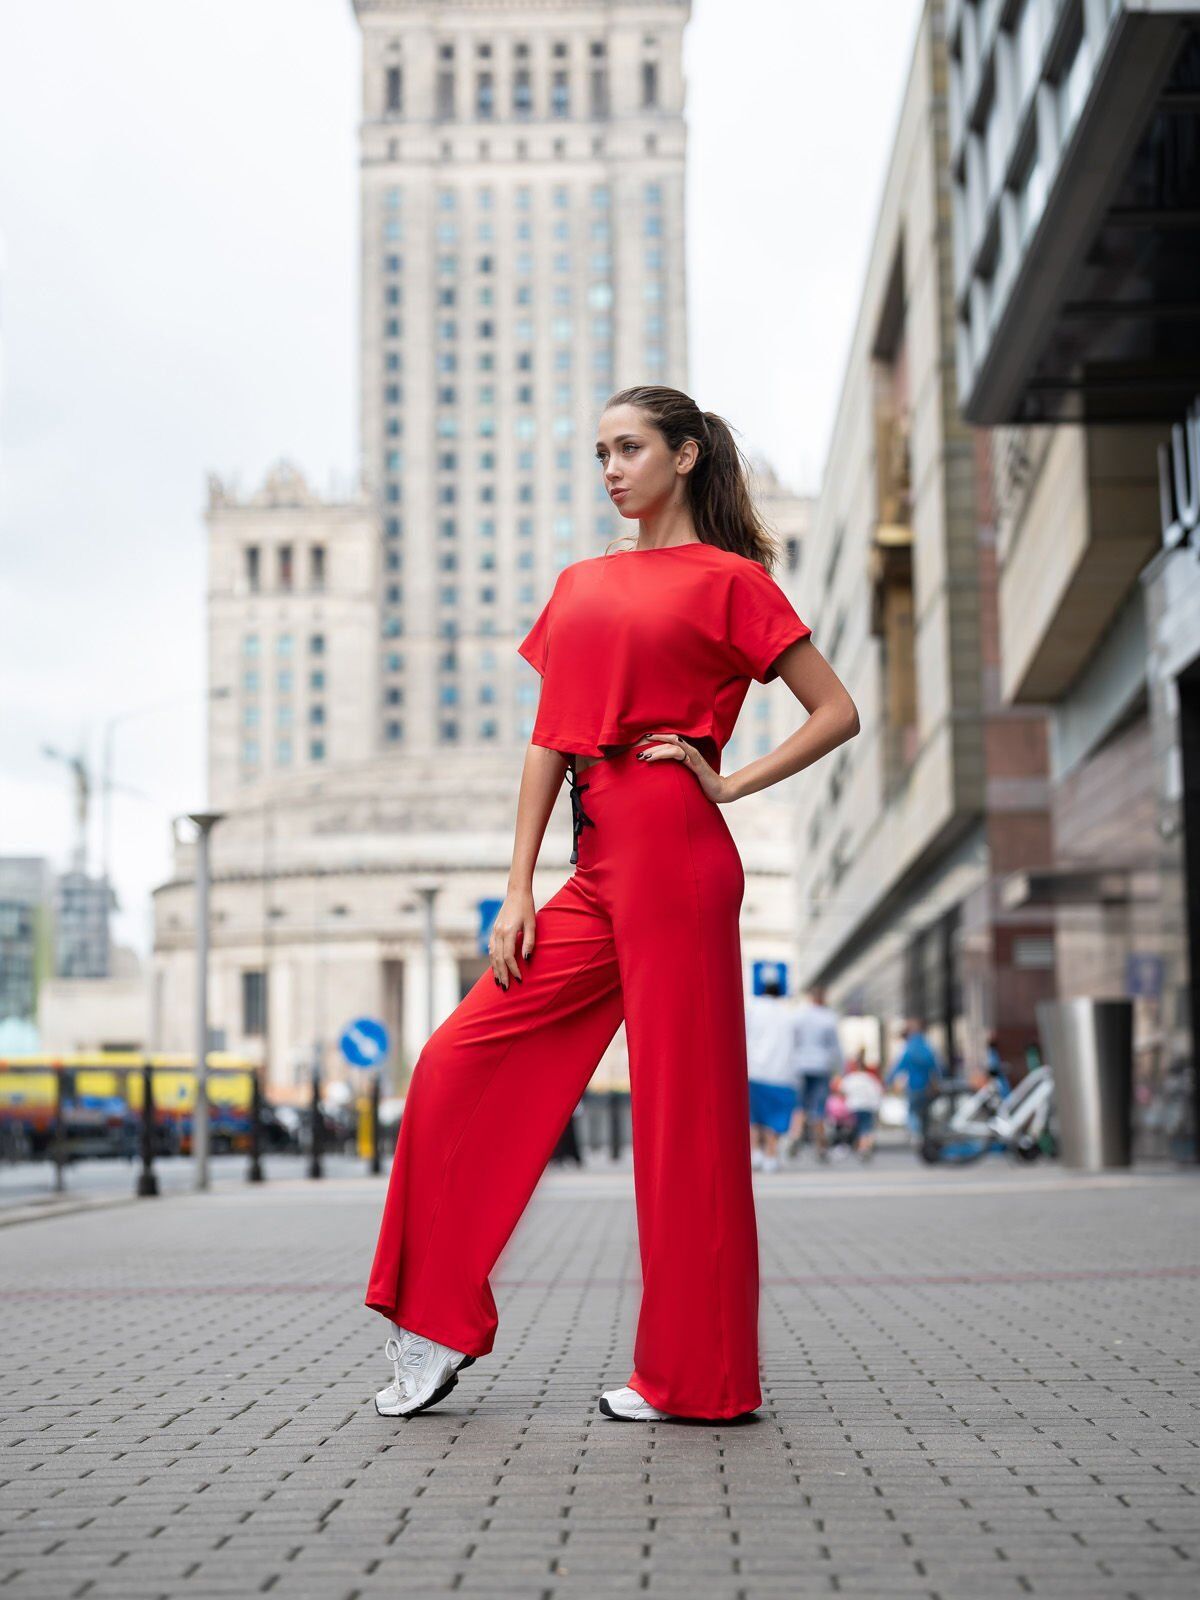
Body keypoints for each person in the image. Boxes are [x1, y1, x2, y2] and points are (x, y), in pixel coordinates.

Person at [364, 385, 860, 1425]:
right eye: (600, 453)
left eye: (629, 448)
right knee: (453, 1061)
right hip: (594, 869)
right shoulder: (580, 583)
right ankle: (437, 1322)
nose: (611, 470)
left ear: (684, 455)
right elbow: (551, 739)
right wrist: (518, 887)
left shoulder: (733, 582)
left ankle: (699, 1377)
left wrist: (730, 782)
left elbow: (835, 710)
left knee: (686, 1125)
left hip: (679, 852)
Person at [745, 975, 799, 1174]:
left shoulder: (753, 1009)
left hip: (754, 1070)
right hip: (782, 1073)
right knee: (775, 1118)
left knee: (754, 1116)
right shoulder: (788, 1013)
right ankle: (771, 1153)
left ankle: (754, 1152)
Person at [786, 986, 842, 1161]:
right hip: (821, 1065)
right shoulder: (829, 1017)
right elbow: (835, 1047)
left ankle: (795, 1136)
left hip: (801, 1065)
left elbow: (791, 1041)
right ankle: (821, 1147)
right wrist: (840, 1070)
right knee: (819, 1108)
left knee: (800, 1105)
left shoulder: (799, 1015)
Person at [884, 1018, 942, 1144]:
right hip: (927, 1087)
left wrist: (887, 1081)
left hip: (914, 1086)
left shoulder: (909, 1049)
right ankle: (925, 1136)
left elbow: (898, 1067)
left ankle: (916, 1135)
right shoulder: (927, 1046)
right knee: (925, 1113)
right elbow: (936, 1066)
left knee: (913, 1111)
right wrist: (939, 1080)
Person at [837, 1051, 884, 1161]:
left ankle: (861, 1147)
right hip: (868, 1106)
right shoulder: (870, 1078)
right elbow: (878, 1091)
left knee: (858, 1128)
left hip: (854, 1106)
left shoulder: (850, 1078)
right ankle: (865, 1147)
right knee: (867, 1128)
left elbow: (841, 1090)